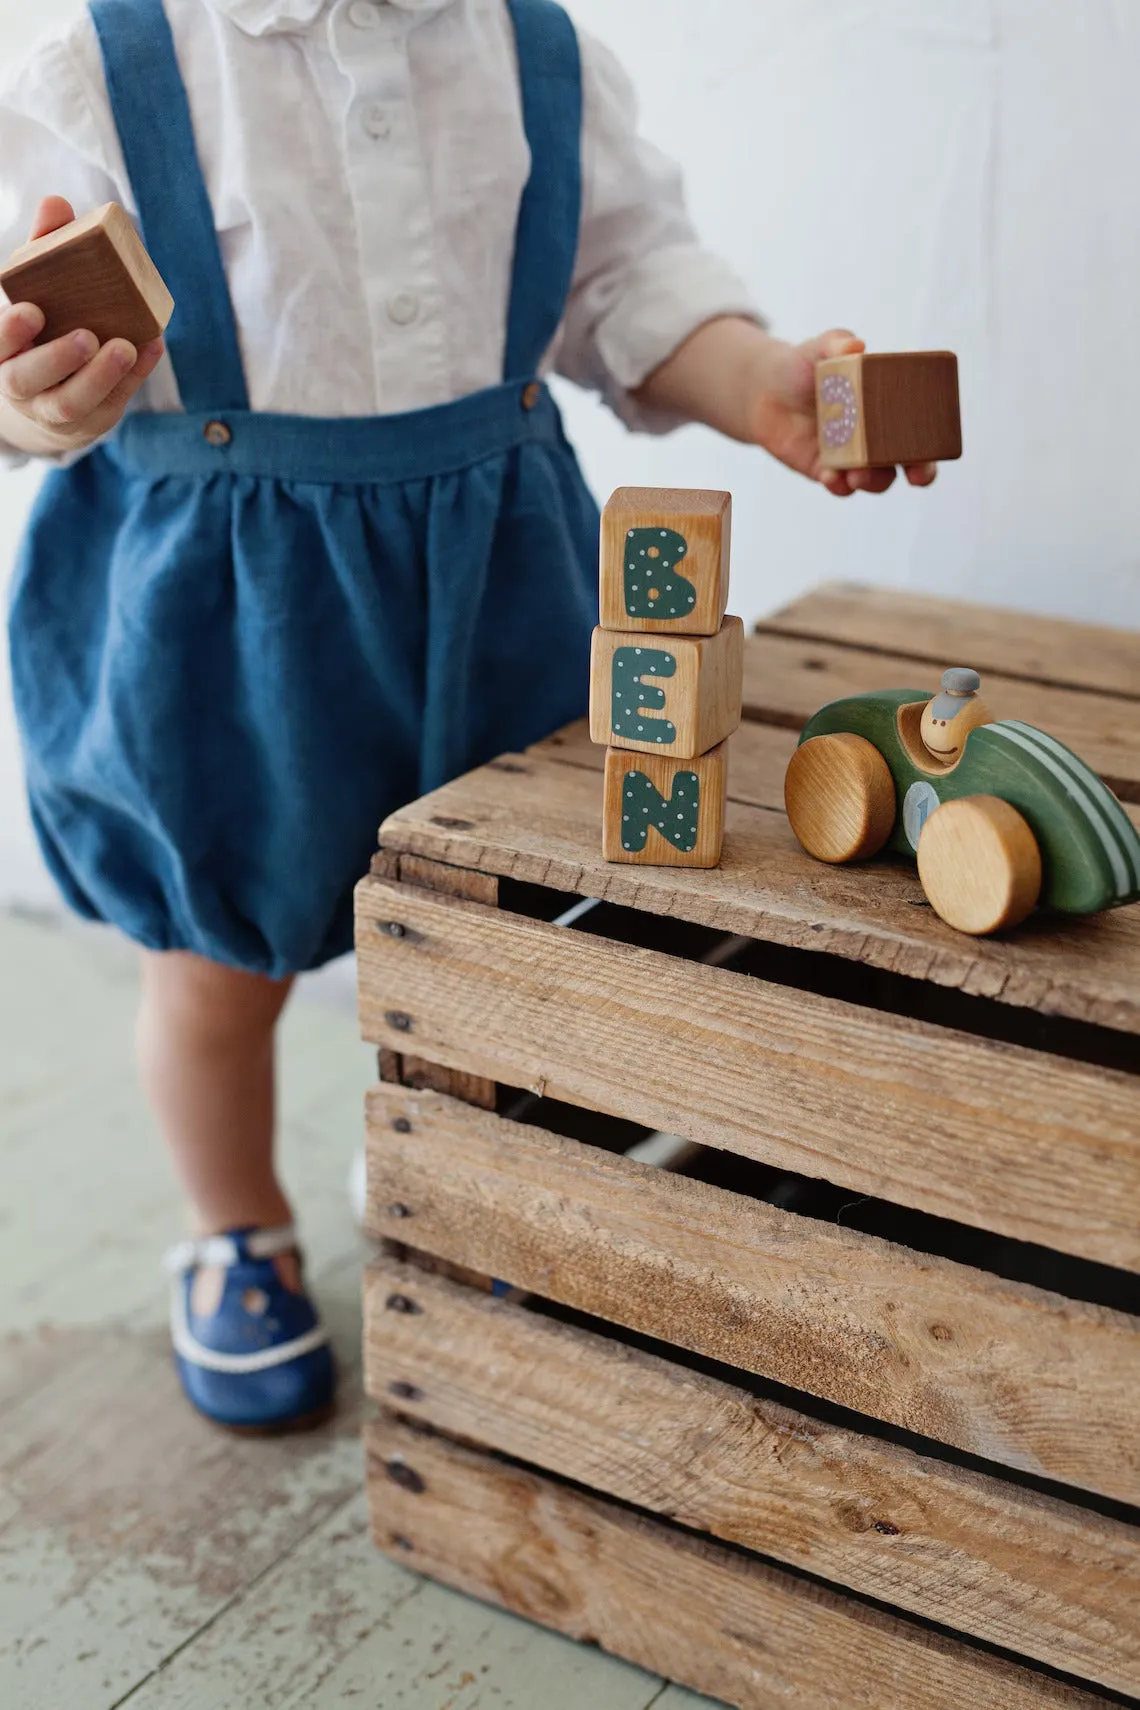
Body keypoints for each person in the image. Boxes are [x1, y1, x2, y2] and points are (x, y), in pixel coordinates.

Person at [0, 0, 940, 1432]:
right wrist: (35, 398)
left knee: (508, 939)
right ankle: (235, 1220)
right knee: (213, 966)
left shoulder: (531, 50)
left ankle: (463, 1170)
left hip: (497, 576)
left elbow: (624, 278)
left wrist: (755, 379)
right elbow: (25, 334)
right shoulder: (104, 71)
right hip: (226, 608)